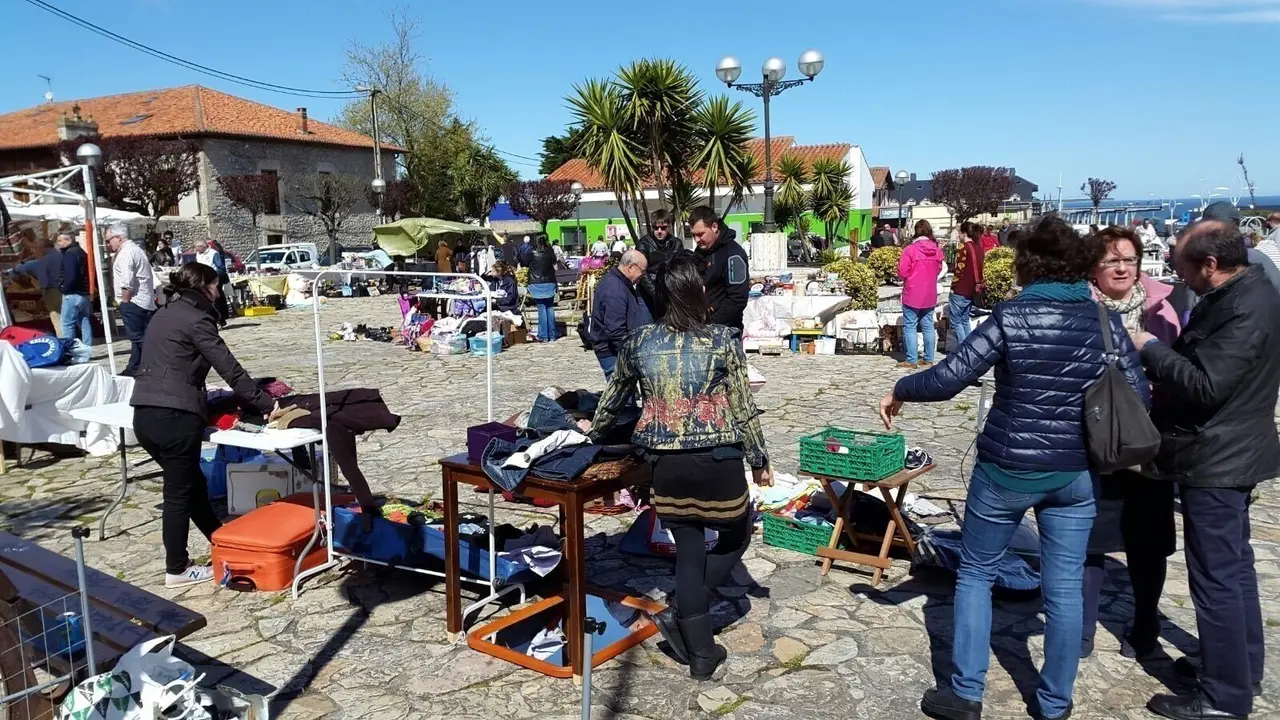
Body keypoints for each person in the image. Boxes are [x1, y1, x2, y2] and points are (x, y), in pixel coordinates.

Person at [882, 215, 1148, 720]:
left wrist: (900, 389)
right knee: (1064, 586)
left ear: (1027, 265)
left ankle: (965, 694)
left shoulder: (1011, 316)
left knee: (976, 573)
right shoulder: (1105, 322)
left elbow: (949, 377)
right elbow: (1138, 397)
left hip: (1006, 469)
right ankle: (1054, 702)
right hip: (1074, 472)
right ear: (1080, 266)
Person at [588, 254, 771, 681]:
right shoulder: (723, 339)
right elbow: (742, 404)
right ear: (698, 291)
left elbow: (612, 400)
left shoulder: (638, 342)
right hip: (719, 461)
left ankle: (701, 654)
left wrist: (592, 437)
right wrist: (758, 458)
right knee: (736, 534)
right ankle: (684, 615)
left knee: (689, 551)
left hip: (667, 466)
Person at [1132, 220, 1277, 720]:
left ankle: (1223, 698)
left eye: (1182, 268)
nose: (1178, 277)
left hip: (1218, 456)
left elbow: (1206, 384)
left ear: (1211, 264)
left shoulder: (1244, 307)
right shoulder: (1249, 291)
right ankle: (1239, 669)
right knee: (1234, 570)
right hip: (1231, 449)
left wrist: (1149, 348)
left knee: (1216, 579)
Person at [129, 262, 275, 587]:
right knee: (179, 494)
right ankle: (177, 568)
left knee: (192, 485)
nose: (219, 291)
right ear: (205, 287)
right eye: (216, 285)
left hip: (144, 413)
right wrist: (267, 405)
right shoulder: (197, 319)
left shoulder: (164, 313)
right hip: (175, 416)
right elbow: (230, 369)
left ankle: (221, 538)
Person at [1079, 226, 1181, 661]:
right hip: (1095, 436)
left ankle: (1145, 625)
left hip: (1150, 437)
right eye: (1111, 261)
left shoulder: (1166, 304)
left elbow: (1182, 367)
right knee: (1089, 538)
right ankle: (1081, 628)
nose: (1122, 268)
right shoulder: (1080, 308)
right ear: (1093, 268)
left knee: (1148, 540)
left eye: (1129, 259)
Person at [590, 249, 652, 378]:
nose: (643, 276)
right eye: (642, 271)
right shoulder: (615, 289)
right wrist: (631, 353)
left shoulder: (620, 283)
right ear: (631, 268)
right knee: (622, 389)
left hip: (618, 350)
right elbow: (615, 330)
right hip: (612, 352)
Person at [689, 206, 750, 334]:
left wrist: (710, 325)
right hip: (701, 327)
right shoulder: (701, 251)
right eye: (693, 235)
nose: (697, 240)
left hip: (726, 330)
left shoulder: (733, 255)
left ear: (714, 227)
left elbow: (737, 300)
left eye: (700, 234)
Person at [107, 224, 156, 376]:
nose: (108, 244)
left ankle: (158, 363)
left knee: (137, 337)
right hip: (143, 300)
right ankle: (134, 368)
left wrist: (125, 301)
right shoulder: (136, 249)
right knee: (139, 338)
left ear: (118, 237)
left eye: (109, 240)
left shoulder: (126, 253)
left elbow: (127, 281)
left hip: (134, 300)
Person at [897, 220, 944, 368]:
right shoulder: (936, 250)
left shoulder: (910, 250)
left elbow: (902, 272)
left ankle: (912, 359)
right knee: (928, 325)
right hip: (929, 292)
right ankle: (929, 358)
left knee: (910, 326)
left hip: (912, 291)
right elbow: (939, 269)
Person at [9, 239, 63, 335]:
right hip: (66, 290)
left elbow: (18, 269)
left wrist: (24, 262)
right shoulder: (61, 256)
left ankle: (64, 339)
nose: (34, 252)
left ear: (42, 248)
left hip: (52, 292)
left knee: (57, 317)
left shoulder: (41, 261)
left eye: (35, 249)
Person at [636, 209, 683, 318]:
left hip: (670, 293)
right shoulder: (644, 243)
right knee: (646, 326)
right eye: (656, 228)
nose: (659, 231)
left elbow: (680, 268)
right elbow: (641, 271)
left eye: (663, 227)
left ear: (669, 226)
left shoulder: (676, 243)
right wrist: (656, 293)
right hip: (646, 294)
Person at [949, 223, 984, 346]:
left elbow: (959, 270)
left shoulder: (963, 248)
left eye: (959, 233)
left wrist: (953, 286)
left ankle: (963, 348)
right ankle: (970, 346)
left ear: (964, 233)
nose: (958, 235)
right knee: (965, 320)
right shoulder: (979, 248)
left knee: (956, 321)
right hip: (973, 289)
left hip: (961, 289)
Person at [56, 232, 93, 346]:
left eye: (60, 241)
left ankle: (70, 349)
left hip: (73, 293)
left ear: (69, 240)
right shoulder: (81, 252)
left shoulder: (70, 254)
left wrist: (64, 289)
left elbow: (70, 275)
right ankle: (87, 346)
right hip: (84, 292)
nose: (58, 243)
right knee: (84, 320)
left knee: (66, 323)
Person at [526, 236, 559, 342]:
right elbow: (554, 262)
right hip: (549, 281)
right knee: (549, 307)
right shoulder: (550, 251)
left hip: (536, 282)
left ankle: (543, 335)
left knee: (541, 308)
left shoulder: (531, 251)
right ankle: (552, 335)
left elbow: (525, 262)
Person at [193, 238, 230, 325]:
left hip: (213, 279)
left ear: (202, 246)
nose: (195, 249)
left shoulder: (214, 253)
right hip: (203, 279)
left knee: (216, 299)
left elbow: (220, 267)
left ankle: (220, 318)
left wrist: (216, 280)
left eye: (196, 247)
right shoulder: (198, 254)